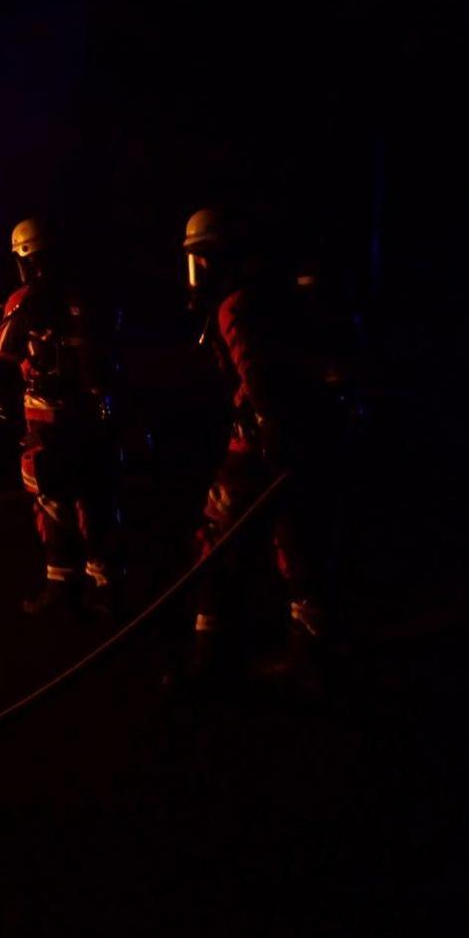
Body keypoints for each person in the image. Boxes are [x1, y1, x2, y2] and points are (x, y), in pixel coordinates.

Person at [181, 207, 345, 681]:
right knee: (296, 541)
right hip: (298, 436)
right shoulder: (266, 297)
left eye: (201, 261)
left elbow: (258, 378)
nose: (197, 275)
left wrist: (269, 432)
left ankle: (210, 657)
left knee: (217, 540)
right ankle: (312, 648)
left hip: (259, 443)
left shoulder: (235, 306)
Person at [0, 217, 122, 616]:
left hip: (47, 422)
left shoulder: (23, 299)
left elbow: (3, 350)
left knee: (52, 503)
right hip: (94, 415)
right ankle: (107, 584)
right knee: (96, 498)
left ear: (25, 259)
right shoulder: (88, 294)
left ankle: (62, 585)